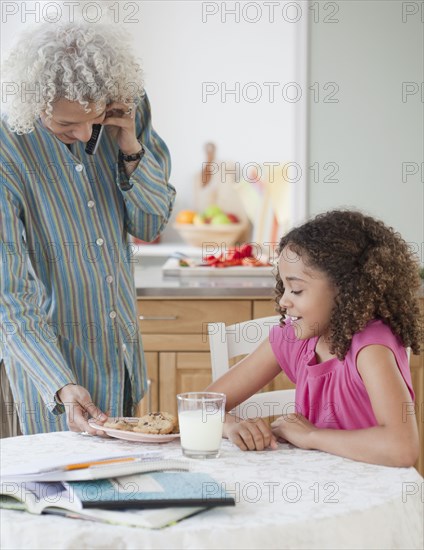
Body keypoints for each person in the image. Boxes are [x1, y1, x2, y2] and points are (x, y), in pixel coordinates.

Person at [0, 22, 176, 436]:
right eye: (65, 126)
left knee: (124, 492)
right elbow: (8, 296)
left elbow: (150, 223)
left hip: (123, 361)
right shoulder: (7, 146)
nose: (83, 136)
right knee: (58, 498)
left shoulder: (128, 108)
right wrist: (60, 384)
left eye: (93, 120)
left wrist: (130, 146)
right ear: (35, 106)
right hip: (48, 377)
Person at [206, 210, 421, 467]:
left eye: (296, 290)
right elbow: (200, 406)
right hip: (317, 482)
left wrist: (311, 435)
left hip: (373, 491)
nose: (284, 301)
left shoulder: (371, 348)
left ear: (345, 289)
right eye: (283, 287)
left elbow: (402, 449)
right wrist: (231, 426)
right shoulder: (295, 339)